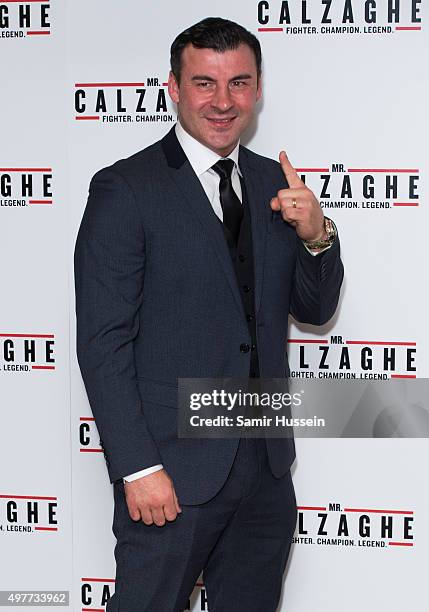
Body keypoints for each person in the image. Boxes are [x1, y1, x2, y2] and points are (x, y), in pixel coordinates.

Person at [74, 16, 344, 612]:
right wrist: (137, 466)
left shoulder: (276, 184)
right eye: (204, 83)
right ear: (172, 87)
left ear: (258, 89)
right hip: (171, 472)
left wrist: (317, 236)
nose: (223, 102)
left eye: (239, 83)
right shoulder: (126, 188)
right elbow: (102, 342)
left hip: (264, 472)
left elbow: (315, 310)